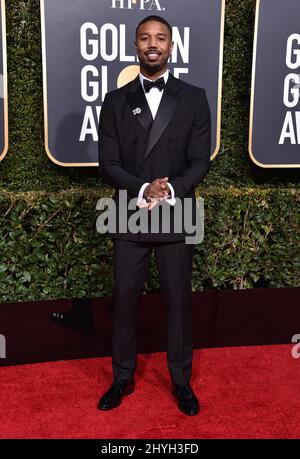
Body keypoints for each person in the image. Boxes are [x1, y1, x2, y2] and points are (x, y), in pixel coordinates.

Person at [97, 15, 211, 416]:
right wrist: (145, 188)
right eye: (145, 37)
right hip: (129, 211)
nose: (152, 44)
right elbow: (107, 163)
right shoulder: (115, 101)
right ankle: (122, 377)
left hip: (176, 212)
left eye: (160, 38)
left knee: (177, 303)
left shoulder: (195, 97)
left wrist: (172, 189)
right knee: (125, 300)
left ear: (171, 46)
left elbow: (200, 160)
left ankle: (181, 382)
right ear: (135, 46)